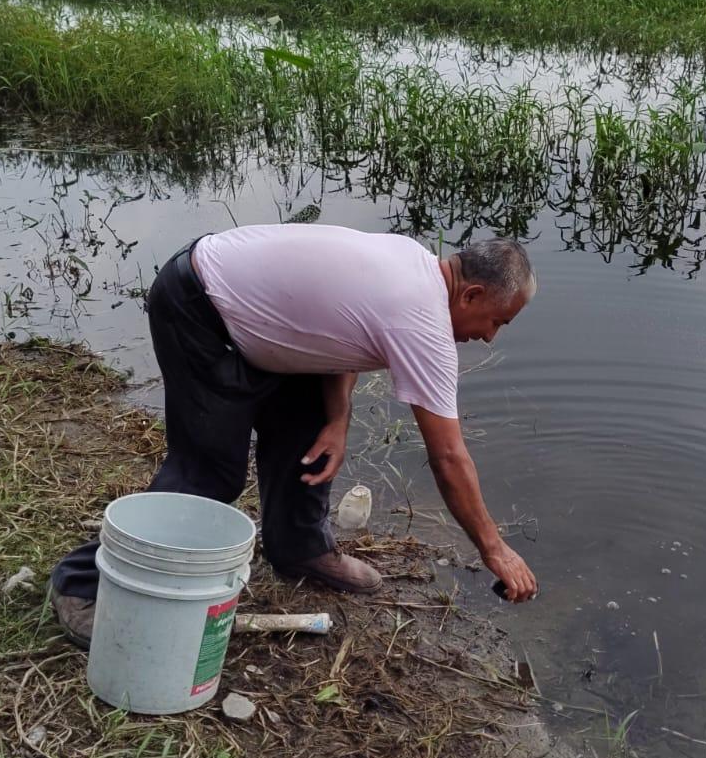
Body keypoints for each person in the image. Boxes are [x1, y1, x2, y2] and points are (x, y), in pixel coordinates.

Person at [48, 223, 540, 647]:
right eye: (497, 321)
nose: (491, 336)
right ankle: (81, 583)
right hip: (199, 308)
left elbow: (338, 336)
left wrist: (338, 421)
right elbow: (448, 457)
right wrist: (494, 549)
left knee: (307, 424)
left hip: (245, 313)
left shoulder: (415, 263)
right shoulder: (424, 318)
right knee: (211, 473)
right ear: (471, 294)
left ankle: (299, 548)